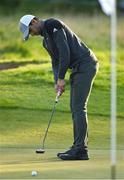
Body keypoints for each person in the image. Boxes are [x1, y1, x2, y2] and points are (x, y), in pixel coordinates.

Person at [19, 15, 99, 160]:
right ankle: (79, 147)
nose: (32, 34)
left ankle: (80, 149)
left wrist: (62, 78)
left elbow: (65, 53)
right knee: (76, 107)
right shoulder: (46, 42)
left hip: (86, 64)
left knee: (79, 107)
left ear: (34, 21)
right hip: (78, 68)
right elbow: (56, 62)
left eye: (30, 30)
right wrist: (57, 81)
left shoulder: (52, 24)